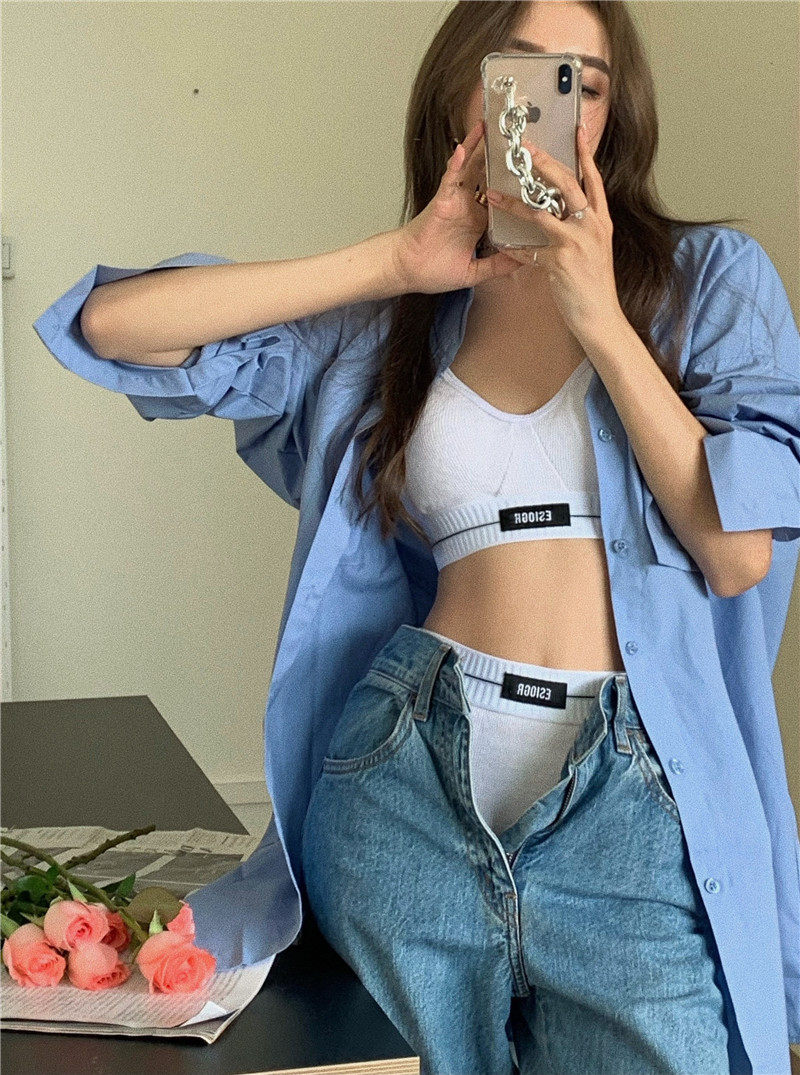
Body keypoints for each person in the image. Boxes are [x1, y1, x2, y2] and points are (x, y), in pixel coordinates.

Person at [33, 2, 800, 1073]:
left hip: (628, 798)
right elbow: (112, 328)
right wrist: (396, 260)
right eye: (524, 72)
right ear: (461, 91)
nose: (556, 105)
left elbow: (735, 551)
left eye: (585, 80)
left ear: (612, 113)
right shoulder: (395, 321)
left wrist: (596, 313)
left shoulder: (707, 280)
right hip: (406, 776)